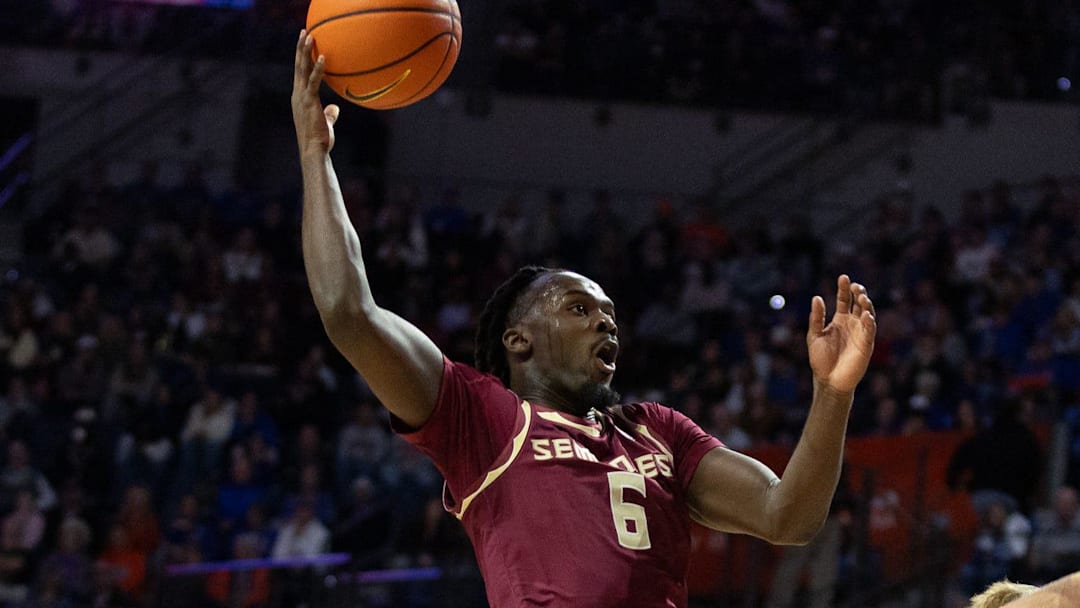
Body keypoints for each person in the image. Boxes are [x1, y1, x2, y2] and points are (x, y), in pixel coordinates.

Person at [291, 29, 877, 608]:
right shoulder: (482, 419)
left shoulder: (660, 431)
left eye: (610, 315)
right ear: (518, 340)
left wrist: (832, 391)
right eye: (579, 309)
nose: (606, 323)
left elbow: (787, 516)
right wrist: (316, 156)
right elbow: (350, 312)